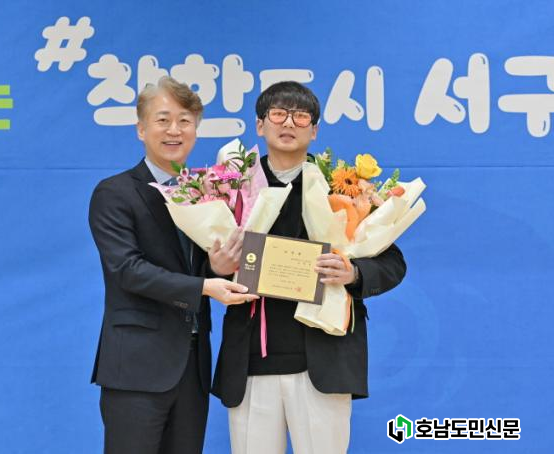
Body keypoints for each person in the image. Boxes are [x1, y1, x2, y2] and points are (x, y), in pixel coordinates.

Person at [212, 81, 407, 453]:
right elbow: (206, 262)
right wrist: (216, 267)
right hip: (251, 361)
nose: (289, 123)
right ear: (259, 125)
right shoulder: (232, 187)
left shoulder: (342, 187)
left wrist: (354, 272)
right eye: (278, 114)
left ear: (314, 130)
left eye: (300, 117)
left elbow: (392, 262)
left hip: (323, 359)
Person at [89, 76, 255, 454]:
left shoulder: (205, 193)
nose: (174, 130)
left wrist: (217, 268)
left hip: (192, 365)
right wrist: (204, 287)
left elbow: (199, 268)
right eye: (162, 120)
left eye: (185, 121)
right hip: (137, 367)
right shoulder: (114, 193)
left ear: (196, 129)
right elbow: (127, 270)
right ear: (141, 129)